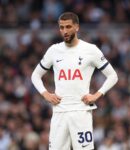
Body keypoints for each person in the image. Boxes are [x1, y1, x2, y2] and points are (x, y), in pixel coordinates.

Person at [31, 12, 118, 150]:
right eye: (61, 27)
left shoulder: (90, 50)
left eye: (68, 27)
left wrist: (96, 95)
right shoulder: (54, 50)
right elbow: (35, 75)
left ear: (77, 27)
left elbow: (113, 76)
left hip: (81, 112)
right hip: (59, 111)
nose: (64, 31)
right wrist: (45, 94)